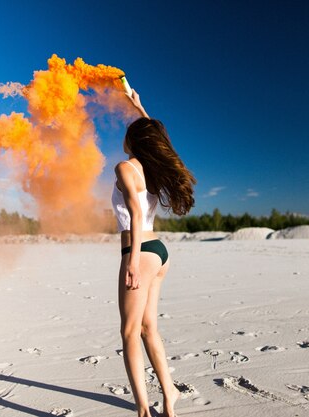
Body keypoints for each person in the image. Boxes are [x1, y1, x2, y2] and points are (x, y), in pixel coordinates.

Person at [111, 89, 196, 417]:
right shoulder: (151, 168)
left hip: (139, 251)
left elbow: (134, 211)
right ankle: (169, 393)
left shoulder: (125, 168)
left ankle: (144, 410)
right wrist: (139, 106)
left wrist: (131, 262)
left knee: (130, 332)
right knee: (149, 328)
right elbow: (155, 134)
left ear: (133, 140)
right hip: (159, 252)